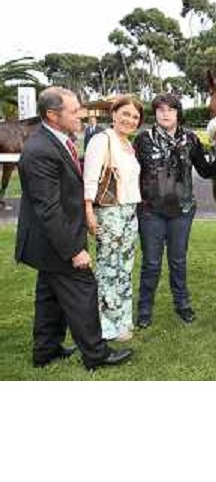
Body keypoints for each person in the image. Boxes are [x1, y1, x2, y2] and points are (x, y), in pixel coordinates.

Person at [15, 86, 132, 370]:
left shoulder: (54, 140)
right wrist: (74, 250)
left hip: (47, 243)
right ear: (52, 115)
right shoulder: (41, 150)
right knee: (83, 289)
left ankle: (46, 351)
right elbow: (49, 209)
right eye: (74, 110)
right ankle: (96, 354)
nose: (81, 114)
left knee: (49, 296)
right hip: (56, 241)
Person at [135, 93, 216, 328]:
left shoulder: (190, 139)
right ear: (154, 113)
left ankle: (182, 305)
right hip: (150, 211)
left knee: (178, 261)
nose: (165, 114)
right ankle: (144, 310)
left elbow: (205, 170)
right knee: (151, 263)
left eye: (171, 109)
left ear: (178, 113)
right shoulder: (143, 139)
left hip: (182, 211)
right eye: (160, 110)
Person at [84, 97, 143, 342]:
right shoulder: (102, 139)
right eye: (125, 114)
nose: (130, 120)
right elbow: (89, 178)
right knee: (109, 268)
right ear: (114, 114)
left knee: (125, 267)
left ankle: (123, 320)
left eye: (135, 117)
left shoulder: (128, 144)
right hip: (109, 212)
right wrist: (88, 211)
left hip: (129, 211)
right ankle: (107, 326)